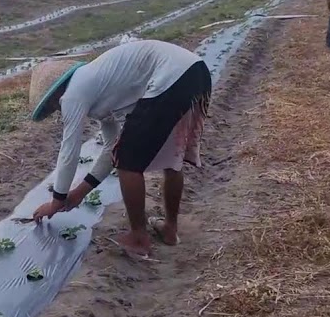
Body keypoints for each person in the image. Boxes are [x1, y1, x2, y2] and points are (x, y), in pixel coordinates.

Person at [27, 39, 211, 258]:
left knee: (128, 161)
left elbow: (69, 150)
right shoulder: (100, 86)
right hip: (196, 72)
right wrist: (78, 193)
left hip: (171, 76)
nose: (57, 110)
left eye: (52, 107)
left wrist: (56, 201)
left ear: (54, 96)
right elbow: (110, 150)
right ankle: (170, 229)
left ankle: (138, 238)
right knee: (169, 158)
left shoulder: (73, 94)